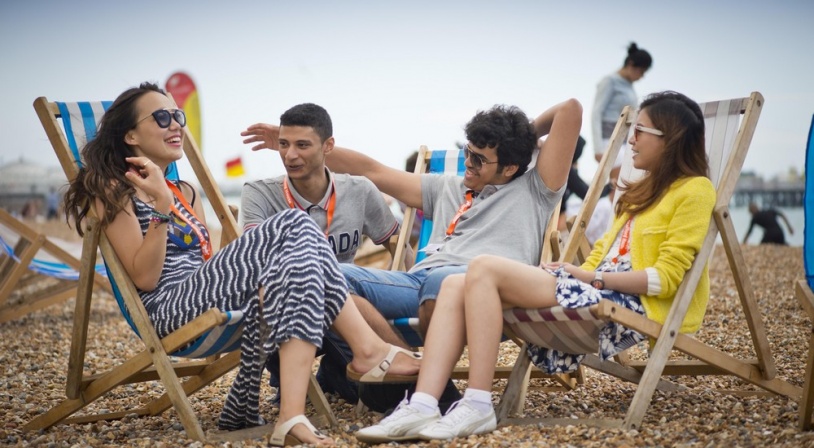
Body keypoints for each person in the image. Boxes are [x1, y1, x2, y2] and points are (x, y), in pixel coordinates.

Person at [62, 82, 421, 446]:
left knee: (290, 274)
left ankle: (291, 417)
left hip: (202, 297)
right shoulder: (110, 190)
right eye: (161, 117)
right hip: (168, 311)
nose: (176, 125)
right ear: (130, 135)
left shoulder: (184, 191)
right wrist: (160, 209)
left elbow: (205, 265)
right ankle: (369, 351)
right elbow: (145, 278)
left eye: (177, 116)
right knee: (294, 222)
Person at [355, 90, 715, 442]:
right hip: (589, 287)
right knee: (452, 284)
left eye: (640, 130)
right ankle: (422, 403)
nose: (631, 140)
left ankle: (477, 403)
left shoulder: (695, 190)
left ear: (670, 138)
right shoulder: (640, 192)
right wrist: (575, 270)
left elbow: (665, 279)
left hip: (624, 301)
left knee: (481, 267)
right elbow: (604, 253)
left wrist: (591, 277)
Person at [242, 99, 582, 413]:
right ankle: (403, 365)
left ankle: (423, 395)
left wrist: (516, 139)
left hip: (480, 286)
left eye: (479, 159)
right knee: (324, 273)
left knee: (443, 281)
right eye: (469, 152)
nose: (469, 163)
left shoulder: (535, 190)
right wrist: (296, 146)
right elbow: (370, 170)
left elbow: (570, 110)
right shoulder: (446, 187)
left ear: (509, 168)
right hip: (417, 282)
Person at [240, 103, 407, 405]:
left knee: (379, 394)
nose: (290, 155)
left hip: (348, 308)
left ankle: (328, 376)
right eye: (283, 144)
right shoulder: (260, 192)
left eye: (302, 145)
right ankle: (294, 382)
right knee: (382, 393)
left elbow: (397, 243)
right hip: (289, 304)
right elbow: (255, 256)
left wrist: (410, 286)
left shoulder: (358, 190)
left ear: (328, 146)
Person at [592, 42, 653, 180]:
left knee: (630, 178)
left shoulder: (629, 86)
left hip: (626, 140)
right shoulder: (610, 81)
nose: (642, 76)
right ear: (631, 64)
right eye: (641, 71)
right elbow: (596, 113)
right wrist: (598, 149)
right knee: (618, 180)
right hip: (609, 139)